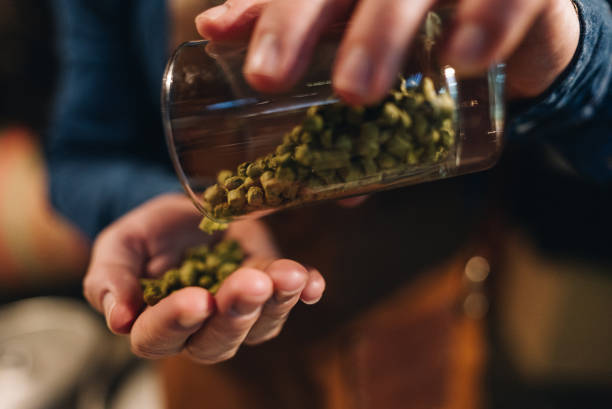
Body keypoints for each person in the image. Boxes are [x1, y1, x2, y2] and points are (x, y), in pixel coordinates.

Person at [48, 0, 611, 370]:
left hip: (418, 324)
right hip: (225, 368)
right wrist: (152, 199)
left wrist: (571, 56)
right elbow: (81, 156)